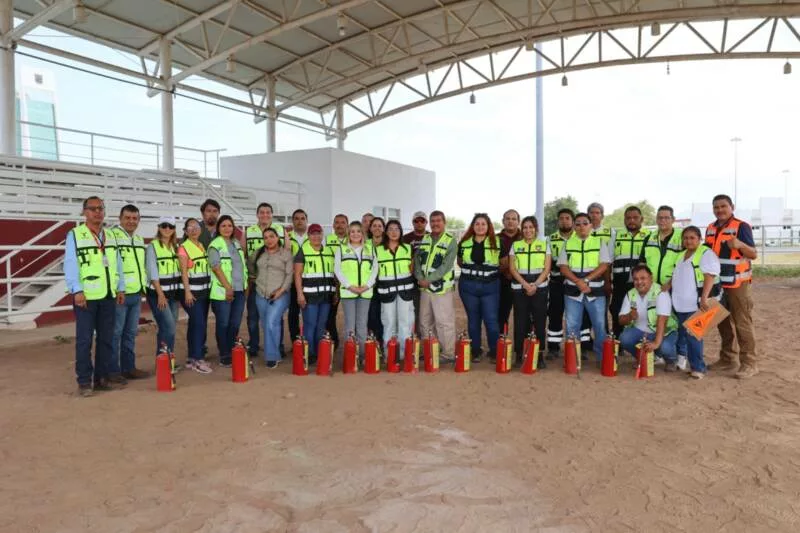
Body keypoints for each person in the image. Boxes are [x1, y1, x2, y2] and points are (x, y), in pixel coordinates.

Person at [64, 196, 126, 397]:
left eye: (100, 208)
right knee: (84, 341)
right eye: (93, 209)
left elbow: (118, 263)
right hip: (86, 297)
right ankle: (84, 381)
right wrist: (77, 290)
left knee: (106, 339)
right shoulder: (75, 234)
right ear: (84, 212)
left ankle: (101, 378)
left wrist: (121, 288)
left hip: (108, 295)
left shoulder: (110, 235)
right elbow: (71, 264)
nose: (97, 212)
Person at [704, 194, 758, 379]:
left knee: (742, 323)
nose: (719, 210)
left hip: (738, 284)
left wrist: (740, 244)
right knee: (722, 322)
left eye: (723, 206)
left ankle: (749, 363)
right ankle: (727, 359)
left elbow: (753, 254)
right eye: (716, 207)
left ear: (731, 207)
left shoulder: (741, 227)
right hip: (718, 284)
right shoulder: (710, 228)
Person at [558, 212, 611, 361]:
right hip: (572, 291)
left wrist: (586, 280)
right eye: (578, 224)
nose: (581, 226)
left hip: (595, 291)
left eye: (585, 223)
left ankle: (602, 358)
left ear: (591, 225)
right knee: (572, 325)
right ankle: (572, 359)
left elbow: (604, 265)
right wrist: (578, 282)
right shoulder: (568, 244)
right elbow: (563, 268)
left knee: (599, 325)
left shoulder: (599, 242)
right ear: (574, 227)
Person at [672, 226, 722, 379]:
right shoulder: (680, 255)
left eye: (692, 238)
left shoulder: (706, 254)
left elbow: (710, 276)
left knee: (693, 335)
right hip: (682, 303)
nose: (688, 241)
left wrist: (704, 298)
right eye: (685, 238)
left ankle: (698, 369)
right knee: (687, 336)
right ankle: (694, 365)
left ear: (699, 239)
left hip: (700, 303)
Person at [108, 204, 150, 380]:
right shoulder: (112, 236)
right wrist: (119, 288)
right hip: (120, 294)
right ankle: (112, 371)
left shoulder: (139, 239)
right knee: (115, 333)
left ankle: (129, 368)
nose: (131, 221)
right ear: (120, 219)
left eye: (134, 218)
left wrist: (143, 286)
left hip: (136, 293)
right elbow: (111, 265)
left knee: (130, 333)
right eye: (127, 218)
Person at [457, 213, 503, 363]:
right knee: (473, 320)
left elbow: (504, 262)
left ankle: (494, 351)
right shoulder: (464, 242)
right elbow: (460, 261)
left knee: (491, 320)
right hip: (468, 286)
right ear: (473, 226)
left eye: (483, 224)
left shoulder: (497, 242)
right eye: (477, 224)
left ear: (489, 226)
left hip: (490, 286)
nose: (480, 226)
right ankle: (475, 350)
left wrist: (490, 274)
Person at [244, 202, 288, 358]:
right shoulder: (249, 231)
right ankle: (254, 344)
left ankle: (278, 345)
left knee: (276, 316)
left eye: (268, 212)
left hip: (275, 281)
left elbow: (287, 252)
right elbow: (244, 253)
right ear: (257, 214)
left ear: (272, 214)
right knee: (253, 316)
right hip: (255, 280)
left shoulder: (281, 230)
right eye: (261, 212)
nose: (265, 215)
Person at [618, 265, 679, 371]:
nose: (639, 282)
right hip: (641, 332)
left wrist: (656, 343)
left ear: (651, 278)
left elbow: (662, 320)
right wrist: (629, 316)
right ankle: (645, 358)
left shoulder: (660, 292)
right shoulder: (630, 294)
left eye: (643, 278)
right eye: (636, 279)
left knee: (665, 347)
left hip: (665, 331)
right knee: (624, 338)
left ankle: (671, 360)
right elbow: (621, 320)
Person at [415, 210, 457, 361]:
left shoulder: (450, 241)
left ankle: (448, 353)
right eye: (432, 221)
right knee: (425, 321)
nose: (435, 223)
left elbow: (446, 265)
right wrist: (419, 277)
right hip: (425, 288)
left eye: (438, 220)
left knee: (444, 322)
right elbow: (417, 260)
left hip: (441, 289)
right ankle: (430, 349)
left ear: (444, 222)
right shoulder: (426, 238)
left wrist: (429, 279)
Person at [509, 215, 550, 367]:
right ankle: (520, 354)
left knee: (540, 321)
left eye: (531, 227)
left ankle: (539, 355)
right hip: (520, 287)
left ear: (536, 229)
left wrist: (535, 285)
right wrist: (526, 285)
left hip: (539, 287)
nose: (528, 230)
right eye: (525, 227)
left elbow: (547, 268)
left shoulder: (544, 245)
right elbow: (512, 268)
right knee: (520, 321)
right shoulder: (515, 245)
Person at [250, 227, 293, 368]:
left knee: (271, 322)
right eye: (266, 237)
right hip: (260, 294)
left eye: (272, 236)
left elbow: (289, 275)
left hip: (280, 294)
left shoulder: (286, 254)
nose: (269, 240)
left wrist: (280, 291)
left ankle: (272, 356)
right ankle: (276, 351)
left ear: (278, 238)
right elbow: (250, 266)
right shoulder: (258, 253)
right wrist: (255, 279)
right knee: (266, 324)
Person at [334, 221, 378, 358]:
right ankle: (350, 357)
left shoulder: (370, 249)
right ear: (348, 233)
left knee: (362, 325)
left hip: (365, 292)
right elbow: (337, 270)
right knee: (349, 326)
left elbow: (375, 269)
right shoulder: (341, 249)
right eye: (352, 231)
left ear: (362, 233)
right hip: (348, 293)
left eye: (358, 231)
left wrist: (367, 286)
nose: (355, 234)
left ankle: (363, 356)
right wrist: (350, 286)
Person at [208, 215, 248, 367]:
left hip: (239, 290)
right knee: (223, 323)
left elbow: (241, 266)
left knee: (235, 323)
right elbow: (216, 267)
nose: (227, 228)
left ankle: (232, 350)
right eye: (223, 225)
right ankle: (224, 354)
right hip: (223, 291)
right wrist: (228, 287)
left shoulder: (236, 243)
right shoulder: (215, 245)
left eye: (230, 226)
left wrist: (244, 286)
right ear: (218, 228)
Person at [294, 223, 334, 364]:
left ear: (322, 235)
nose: (316, 236)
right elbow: (297, 274)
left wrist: (335, 293)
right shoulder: (303, 251)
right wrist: (300, 294)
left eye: (318, 233)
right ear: (308, 236)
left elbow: (333, 274)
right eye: (313, 234)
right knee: (310, 325)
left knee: (321, 325)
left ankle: (319, 352)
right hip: (309, 297)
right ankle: (308, 353)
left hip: (326, 296)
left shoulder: (329, 251)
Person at [375, 220, 415, 360]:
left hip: (405, 292)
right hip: (386, 292)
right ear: (386, 232)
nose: (393, 232)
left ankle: (404, 355)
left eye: (396, 229)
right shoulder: (378, 250)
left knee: (405, 322)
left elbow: (412, 269)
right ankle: (389, 354)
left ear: (400, 231)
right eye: (390, 229)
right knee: (389, 322)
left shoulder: (408, 248)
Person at [177, 217, 213, 374]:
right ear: (185, 231)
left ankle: (192, 358)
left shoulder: (201, 245)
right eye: (190, 228)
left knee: (195, 324)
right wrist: (187, 292)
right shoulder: (183, 248)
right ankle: (198, 359)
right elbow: (184, 272)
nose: (193, 230)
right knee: (199, 324)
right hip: (191, 293)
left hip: (203, 292)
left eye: (196, 227)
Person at [145, 216, 182, 365]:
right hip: (158, 295)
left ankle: (165, 361)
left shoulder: (175, 247)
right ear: (159, 227)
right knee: (169, 327)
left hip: (173, 294)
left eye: (171, 226)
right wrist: (160, 294)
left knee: (167, 328)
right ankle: (165, 361)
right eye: (164, 226)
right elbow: (152, 272)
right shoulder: (153, 246)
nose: (167, 229)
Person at [609, 206, 650, 338]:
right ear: (624, 220)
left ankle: (640, 341)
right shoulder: (616, 236)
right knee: (617, 309)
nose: (632, 220)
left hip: (641, 283)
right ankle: (618, 340)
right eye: (628, 218)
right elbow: (608, 260)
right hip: (619, 282)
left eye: (635, 217)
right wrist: (607, 282)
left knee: (641, 311)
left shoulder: (649, 236)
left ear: (641, 219)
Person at [546, 208, 574, 358]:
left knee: (575, 315)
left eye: (567, 218)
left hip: (574, 283)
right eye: (561, 218)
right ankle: (553, 347)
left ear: (572, 221)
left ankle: (577, 346)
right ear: (558, 221)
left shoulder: (579, 237)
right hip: (556, 282)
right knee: (555, 314)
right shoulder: (550, 239)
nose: (564, 221)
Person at [640, 205, 683, 288]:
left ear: (673, 219)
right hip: (652, 286)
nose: (663, 220)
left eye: (666, 218)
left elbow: (686, 265)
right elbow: (642, 262)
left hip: (675, 286)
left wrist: (670, 284)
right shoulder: (648, 238)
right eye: (660, 218)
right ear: (656, 220)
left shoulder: (682, 238)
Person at [402, 210, 430, 335]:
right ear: (412, 222)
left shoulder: (432, 237)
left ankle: (429, 336)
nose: (419, 223)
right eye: (416, 221)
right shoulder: (406, 238)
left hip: (428, 278)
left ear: (426, 222)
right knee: (415, 308)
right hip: (411, 279)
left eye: (422, 221)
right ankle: (416, 335)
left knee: (428, 309)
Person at [324, 214, 349, 349]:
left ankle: (353, 343)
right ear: (333, 225)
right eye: (337, 222)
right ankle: (333, 341)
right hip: (332, 282)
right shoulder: (326, 240)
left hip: (349, 283)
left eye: (343, 222)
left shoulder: (352, 239)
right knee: (330, 315)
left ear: (347, 225)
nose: (339, 225)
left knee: (351, 315)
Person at [497, 209, 522, 333]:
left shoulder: (526, 236)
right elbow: (495, 263)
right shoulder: (495, 239)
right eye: (507, 219)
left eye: (513, 219)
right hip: (502, 282)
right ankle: (502, 341)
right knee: (501, 315)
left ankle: (524, 342)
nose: (510, 221)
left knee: (523, 315)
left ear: (518, 221)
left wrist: (506, 261)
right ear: (503, 221)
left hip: (523, 282)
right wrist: (512, 260)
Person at [287, 209, 309, 342]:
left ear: (306, 220)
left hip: (309, 280)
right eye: (296, 218)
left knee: (309, 312)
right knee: (293, 312)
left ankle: (308, 340)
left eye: (302, 218)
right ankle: (295, 341)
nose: (299, 221)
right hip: (291, 280)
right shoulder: (286, 237)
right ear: (292, 221)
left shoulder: (313, 237)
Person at [366, 217, 386, 346]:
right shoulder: (365, 244)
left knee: (385, 316)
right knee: (372, 316)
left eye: (380, 226)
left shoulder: (388, 244)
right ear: (370, 228)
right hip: (370, 286)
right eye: (374, 225)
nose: (377, 228)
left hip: (385, 285)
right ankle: (373, 344)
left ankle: (384, 343)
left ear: (383, 228)